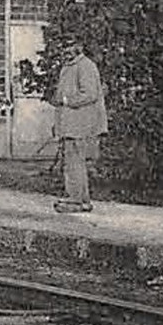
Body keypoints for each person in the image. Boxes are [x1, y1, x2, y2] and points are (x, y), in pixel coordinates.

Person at [51, 38, 108, 213]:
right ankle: (82, 200)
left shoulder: (85, 66)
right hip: (70, 124)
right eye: (63, 47)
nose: (65, 51)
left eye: (69, 47)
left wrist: (66, 100)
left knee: (74, 162)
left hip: (81, 124)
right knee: (73, 161)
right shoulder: (69, 67)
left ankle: (74, 200)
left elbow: (90, 94)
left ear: (79, 47)